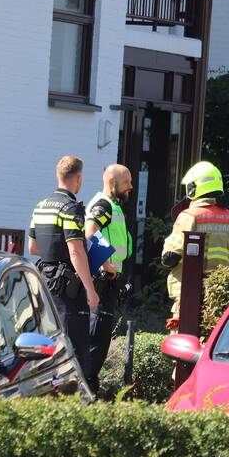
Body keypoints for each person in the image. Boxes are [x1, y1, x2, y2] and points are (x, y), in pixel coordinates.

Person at [28, 156, 98, 383]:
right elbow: (76, 251)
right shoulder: (71, 208)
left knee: (49, 343)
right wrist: (90, 290)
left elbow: (33, 247)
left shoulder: (40, 207)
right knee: (74, 345)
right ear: (78, 178)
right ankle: (76, 395)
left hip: (45, 283)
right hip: (69, 289)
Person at [161, 161, 229, 328]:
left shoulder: (189, 216)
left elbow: (169, 257)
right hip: (219, 293)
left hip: (188, 293)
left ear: (193, 188)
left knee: (184, 337)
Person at [84, 163, 134, 392]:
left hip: (109, 281)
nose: (130, 186)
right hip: (103, 281)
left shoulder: (113, 205)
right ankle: (86, 389)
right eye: (127, 182)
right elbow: (89, 232)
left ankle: (88, 386)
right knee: (97, 339)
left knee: (101, 340)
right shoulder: (103, 205)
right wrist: (106, 264)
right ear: (112, 183)